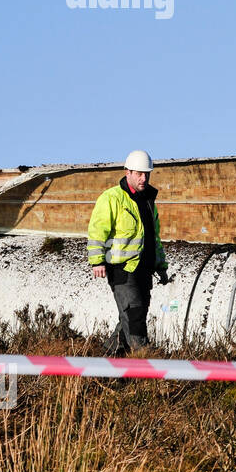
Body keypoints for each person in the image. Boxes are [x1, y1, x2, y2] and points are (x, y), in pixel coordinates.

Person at [88, 150, 169, 355]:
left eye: (147, 174)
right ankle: (146, 363)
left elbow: (154, 238)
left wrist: (161, 266)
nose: (144, 178)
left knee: (133, 317)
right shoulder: (111, 198)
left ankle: (104, 363)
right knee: (134, 316)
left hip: (145, 269)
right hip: (122, 269)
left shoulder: (149, 201)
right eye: (139, 173)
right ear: (128, 172)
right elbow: (98, 230)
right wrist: (97, 261)